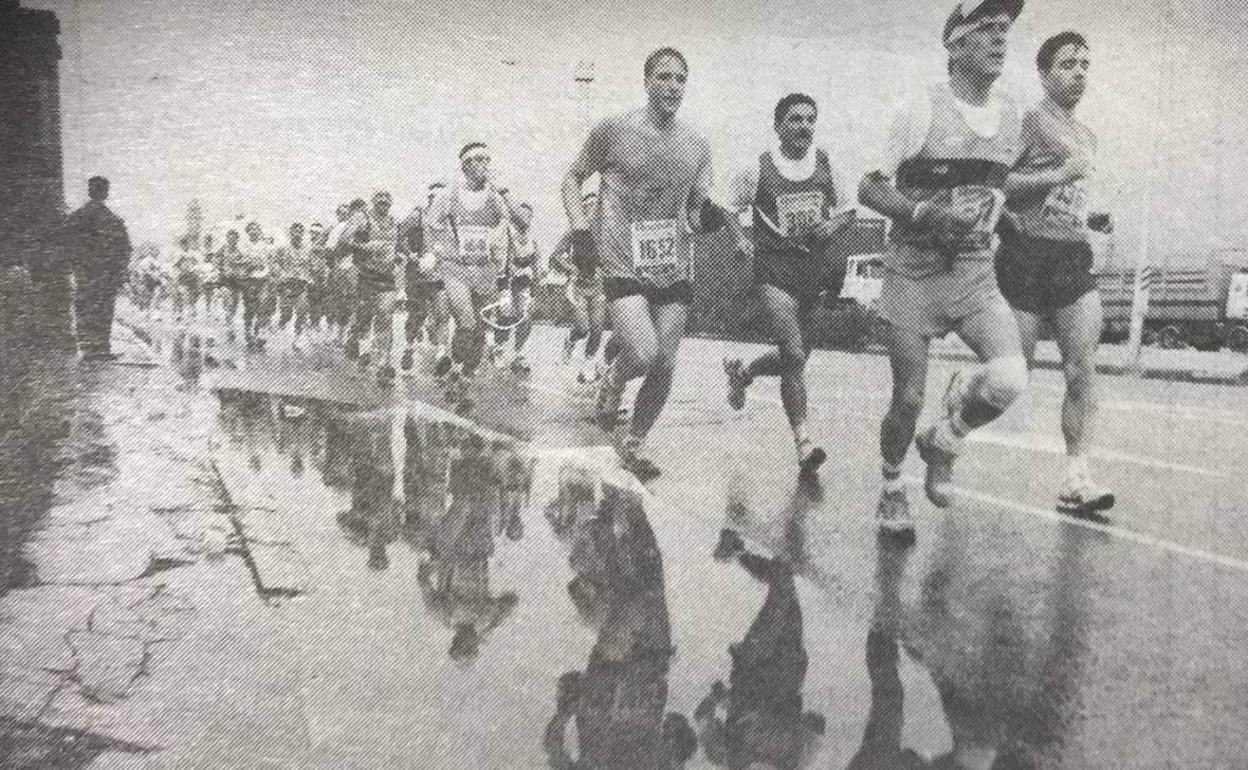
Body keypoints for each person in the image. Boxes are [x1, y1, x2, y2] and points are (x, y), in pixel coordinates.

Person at [857, 0, 1030, 537]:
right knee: (906, 400)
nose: (1000, 39)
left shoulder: (1013, 116)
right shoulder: (918, 109)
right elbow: (870, 187)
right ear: (954, 44)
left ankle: (945, 438)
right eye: (986, 30)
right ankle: (891, 484)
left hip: (974, 272)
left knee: (1009, 378)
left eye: (1005, 30)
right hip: (914, 272)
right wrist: (922, 212)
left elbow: (1001, 189)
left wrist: (1021, 214)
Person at [562, 47, 748, 481]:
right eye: (664, 77)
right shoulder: (612, 130)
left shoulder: (697, 145)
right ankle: (613, 378)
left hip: (673, 263)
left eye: (681, 79)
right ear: (646, 81)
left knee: (665, 362)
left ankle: (634, 442)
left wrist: (719, 225)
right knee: (643, 354)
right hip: (622, 258)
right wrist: (579, 228)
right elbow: (572, 178)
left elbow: (699, 208)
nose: (673, 86)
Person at [998, 31, 1114, 516]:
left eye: (1085, 64)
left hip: (1070, 256)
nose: (1079, 72)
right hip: (1025, 252)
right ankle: (959, 402)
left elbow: (1071, 198)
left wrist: (1092, 222)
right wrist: (1056, 176)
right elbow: (997, 181)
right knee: (1013, 376)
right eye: (1068, 64)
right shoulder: (1028, 121)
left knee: (1081, 368)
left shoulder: (1087, 135)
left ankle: (1076, 478)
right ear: (1044, 73)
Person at [722, 93, 858, 477]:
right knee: (794, 354)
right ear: (778, 125)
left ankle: (744, 374)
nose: (804, 126)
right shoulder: (759, 167)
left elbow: (849, 209)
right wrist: (740, 237)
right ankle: (804, 444)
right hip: (774, 271)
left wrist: (830, 225)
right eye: (795, 119)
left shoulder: (827, 163)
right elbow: (728, 207)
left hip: (812, 272)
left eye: (810, 119)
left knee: (793, 359)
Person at [424, 144, 524, 395]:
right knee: (466, 323)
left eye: (487, 159)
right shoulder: (449, 195)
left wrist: (505, 191)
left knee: (481, 330)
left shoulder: (496, 197)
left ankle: (465, 375)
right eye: (478, 160)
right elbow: (431, 224)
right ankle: (455, 366)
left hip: (485, 270)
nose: (485, 164)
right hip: (456, 268)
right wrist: (434, 252)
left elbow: (522, 222)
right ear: (465, 166)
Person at [62, 176, 132, 361]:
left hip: (85, 274)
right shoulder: (113, 219)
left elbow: (65, 245)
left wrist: (76, 265)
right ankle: (101, 348)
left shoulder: (76, 217)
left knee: (85, 307)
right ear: (105, 193)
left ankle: (86, 347)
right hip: (106, 276)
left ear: (90, 191)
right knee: (104, 309)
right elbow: (125, 249)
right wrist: (118, 271)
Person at [550, 191, 610, 383]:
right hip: (578, 286)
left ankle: (587, 365)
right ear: (582, 210)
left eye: (596, 206)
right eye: (588, 206)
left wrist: (606, 270)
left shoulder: (606, 232)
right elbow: (555, 256)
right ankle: (570, 341)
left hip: (598, 285)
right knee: (583, 328)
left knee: (598, 329)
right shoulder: (574, 232)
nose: (592, 210)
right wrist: (571, 268)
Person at [345, 191, 402, 385]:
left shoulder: (394, 222)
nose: (383, 205)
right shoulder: (363, 218)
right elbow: (345, 241)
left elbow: (399, 247)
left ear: (391, 203)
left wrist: (399, 255)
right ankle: (362, 350)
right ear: (373, 203)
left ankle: (384, 365)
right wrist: (368, 246)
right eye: (380, 202)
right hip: (365, 276)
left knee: (385, 315)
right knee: (364, 318)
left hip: (387, 278)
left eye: (387, 202)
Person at [487, 201, 540, 373]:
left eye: (528, 216)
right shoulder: (505, 232)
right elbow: (497, 258)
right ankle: (498, 348)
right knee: (506, 314)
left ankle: (518, 353)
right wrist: (502, 288)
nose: (525, 219)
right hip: (504, 280)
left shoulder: (532, 239)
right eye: (521, 215)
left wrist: (533, 292)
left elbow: (537, 266)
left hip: (522, 283)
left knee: (525, 317)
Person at [271, 222, 315, 349]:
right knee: (286, 314)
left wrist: (311, 278)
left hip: (301, 283)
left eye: (300, 232)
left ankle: (297, 339)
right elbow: (274, 263)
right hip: (287, 284)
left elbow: (311, 266)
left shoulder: (308, 249)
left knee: (302, 312)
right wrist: (280, 274)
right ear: (290, 233)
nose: (297, 235)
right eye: (294, 232)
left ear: (303, 234)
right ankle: (280, 324)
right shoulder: (282, 249)